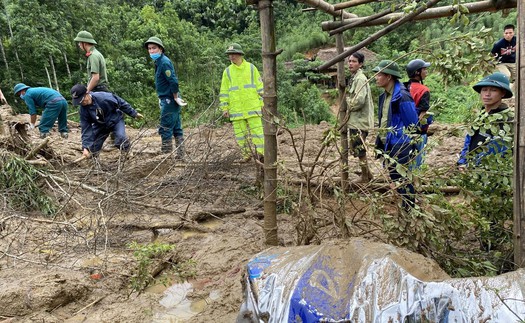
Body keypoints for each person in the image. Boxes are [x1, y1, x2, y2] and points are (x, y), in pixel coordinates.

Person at [372, 60, 419, 210]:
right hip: (389, 143)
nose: (376, 77)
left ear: (389, 77)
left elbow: (412, 124)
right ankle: (405, 208)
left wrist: (410, 145)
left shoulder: (402, 96)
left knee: (402, 180)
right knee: (394, 178)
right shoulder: (385, 96)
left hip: (401, 143)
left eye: (379, 74)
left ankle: (409, 210)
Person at [219, 43, 264, 162]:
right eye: (229, 55)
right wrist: (224, 107)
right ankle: (246, 156)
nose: (231, 57)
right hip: (236, 110)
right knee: (240, 136)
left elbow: (260, 88)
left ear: (240, 54)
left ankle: (261, 155)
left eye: (233, 54)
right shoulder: (227, 72)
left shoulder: (251, 68)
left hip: (253, 108)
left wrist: (262, 104)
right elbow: (224, 91)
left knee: (258, 133)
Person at [70, 84, 143, 158]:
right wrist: (85, 147)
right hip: (100, 124)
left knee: (120, 139)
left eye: (82, 100)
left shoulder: (104, 97)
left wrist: (134, 113)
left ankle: (128, 153)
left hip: (115, 120)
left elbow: (120, 103)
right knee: (92, 147)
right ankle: (94, 161)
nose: (82, 103)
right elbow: (86, 128)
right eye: (79, 102)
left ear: (87, 93)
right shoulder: (83, 110)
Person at [457, 72, 513, 168]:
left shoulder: (506, 121)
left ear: (503, 93)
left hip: (489, 172)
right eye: (484, 90)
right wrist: (462, 162)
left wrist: (474, 166)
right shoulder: (480, 116)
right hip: (469, 170)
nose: (487, 94)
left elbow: (498, 151)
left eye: (493, 90)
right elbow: (468, 141)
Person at [144, 36, 186, 157]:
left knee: (165, 127)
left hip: (170, 99)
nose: (151, 51)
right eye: (149, 49)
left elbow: (173, 81)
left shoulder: (164, 62)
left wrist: (175, 97)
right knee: (177, 127)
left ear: (161, 49)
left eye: (154, 48)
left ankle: (166, 156)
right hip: (165, 97)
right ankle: (181, 155)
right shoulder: (158, 62)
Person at [345, 52, 374, 182]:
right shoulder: (354, 77)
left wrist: (346, 103)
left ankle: (364, 177)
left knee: (359, 150)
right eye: (349, 61)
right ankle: (368, 175)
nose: (351, 63)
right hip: (356, 121)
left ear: (360, 64)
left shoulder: (360, 79)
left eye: (354, 61)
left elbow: (359, 101)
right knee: (357, 149)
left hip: (359, 121)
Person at [405, 58, 432, 168]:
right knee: (417, 163)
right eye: (424, 69)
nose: (426, 72)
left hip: (404, 131)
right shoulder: (423, 90)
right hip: (418, 132)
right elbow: (422, 114)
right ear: (417, 72)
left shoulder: (403, 87)